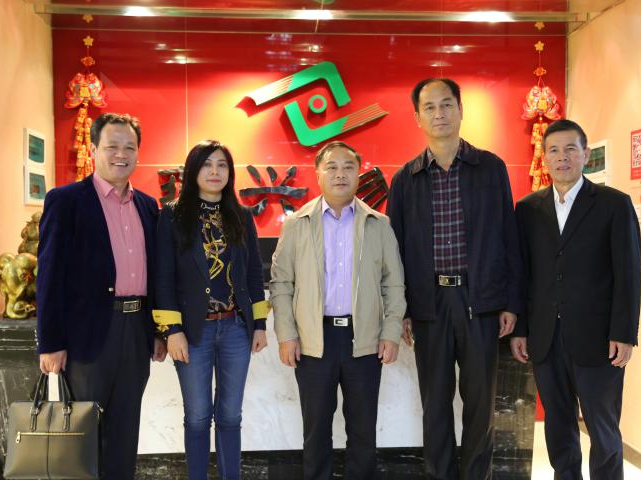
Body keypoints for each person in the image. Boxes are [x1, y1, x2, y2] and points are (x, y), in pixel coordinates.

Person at [386, 78, 524, 480]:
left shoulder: (490, 168)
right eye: (429, 107)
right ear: (418, 118)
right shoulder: (405, 179)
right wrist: (403, 311)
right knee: (435, 403)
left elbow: (508, 238)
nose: (439, 114)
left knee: (481, 404)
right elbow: (395, 253)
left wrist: (511, 302)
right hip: (429, 305)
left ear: (460, 110)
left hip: (480, 301)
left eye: (446, 105)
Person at [37, 112, 166, 479]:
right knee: (84, 433)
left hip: (136, 331)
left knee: (125, 431)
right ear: (93, 149)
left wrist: (158, 330)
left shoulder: (147, 206)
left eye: (129, 147)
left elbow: (156, 271)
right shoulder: (66, 201)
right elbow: (49, 275)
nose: (121, 154)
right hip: (89, 334)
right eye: (112, 146)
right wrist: (51, 343)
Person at [511, 119, 641, 479]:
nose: (562, 157)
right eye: (553, 150)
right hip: (546, 338)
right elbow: (522, 273)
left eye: (571, 149)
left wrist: (624, 333)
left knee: (603, 428)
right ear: (544, 158)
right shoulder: (527, 209)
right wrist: (521, 328)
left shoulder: (614, 204)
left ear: (585, 154)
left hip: (599, 339)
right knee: (558, 425)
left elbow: (628, 274)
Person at [270, 141, 406, 480]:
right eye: (331, 167)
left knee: (363, 430)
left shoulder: (379, 224)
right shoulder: (297, 224)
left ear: (359, 174)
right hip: (314, 341)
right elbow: (281, 283)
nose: (340, 174)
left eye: (348, 167)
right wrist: (286, 335)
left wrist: (391, 332)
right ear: (318, 174)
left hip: (364, 340)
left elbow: (393, 284)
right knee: (316, 430)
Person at [153, 140, 269, 480]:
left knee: (231, 416)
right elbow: (163, 277)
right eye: (207, 164)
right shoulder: (172, 215)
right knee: (198, 417)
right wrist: (172, 331)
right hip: (192, 332)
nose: (215, 171)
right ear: (193, 171)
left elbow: (253, 273)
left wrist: (259, 324)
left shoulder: (241, 216)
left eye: (222, 165)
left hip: (236, 329)